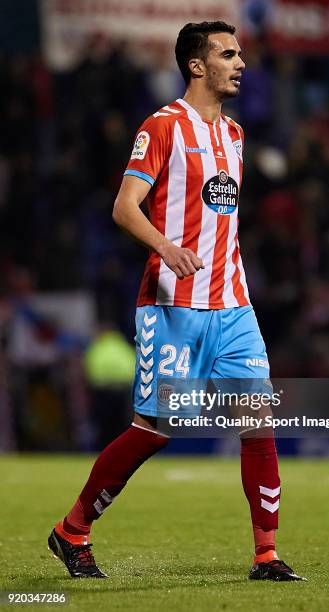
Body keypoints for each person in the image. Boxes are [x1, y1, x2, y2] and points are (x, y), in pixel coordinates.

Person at [48, 21, 306, 582]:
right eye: (228, 54)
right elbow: (125, 206)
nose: (240, 62)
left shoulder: (236, 135)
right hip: (171, 305)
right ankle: (72, 531)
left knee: (257, 421)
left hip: (233, 303)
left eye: (241, 54)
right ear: (196, 65)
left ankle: (267, 554)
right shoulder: (160, 127)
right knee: (154, 429)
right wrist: (167, 248)